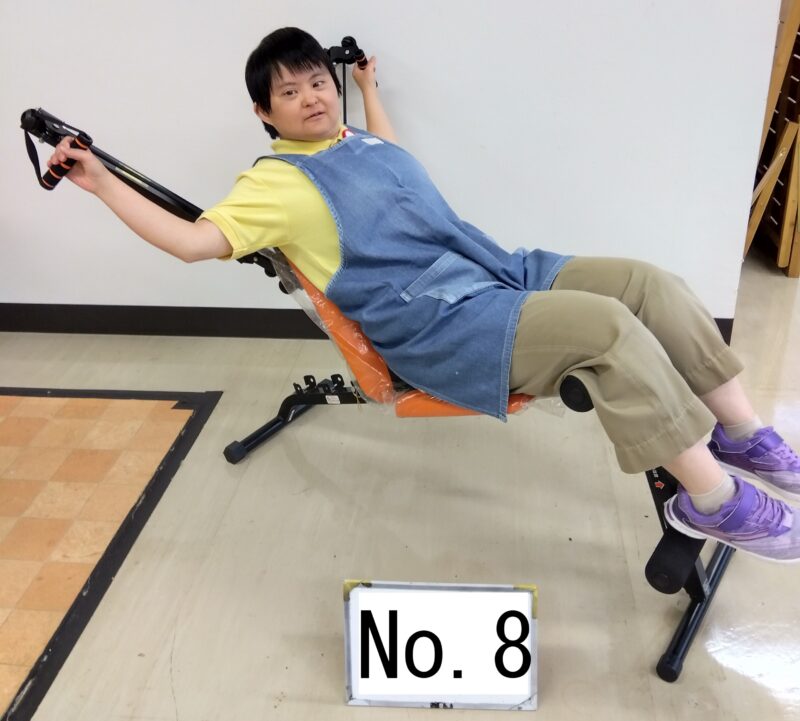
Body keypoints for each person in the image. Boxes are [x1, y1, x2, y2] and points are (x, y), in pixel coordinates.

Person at [47, 27, 800, 562]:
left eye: (319, 82)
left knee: (650, 283)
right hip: (441, 325)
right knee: (606, 327)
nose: (311, 98)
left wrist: (369, 88)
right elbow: (191, 241)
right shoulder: (272, 185)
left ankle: (739, 432)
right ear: (263, 112)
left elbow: (392, 153)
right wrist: (101, 181)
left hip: (489, 268)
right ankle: (709, 503)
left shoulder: (355, 142)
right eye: (289, 91)